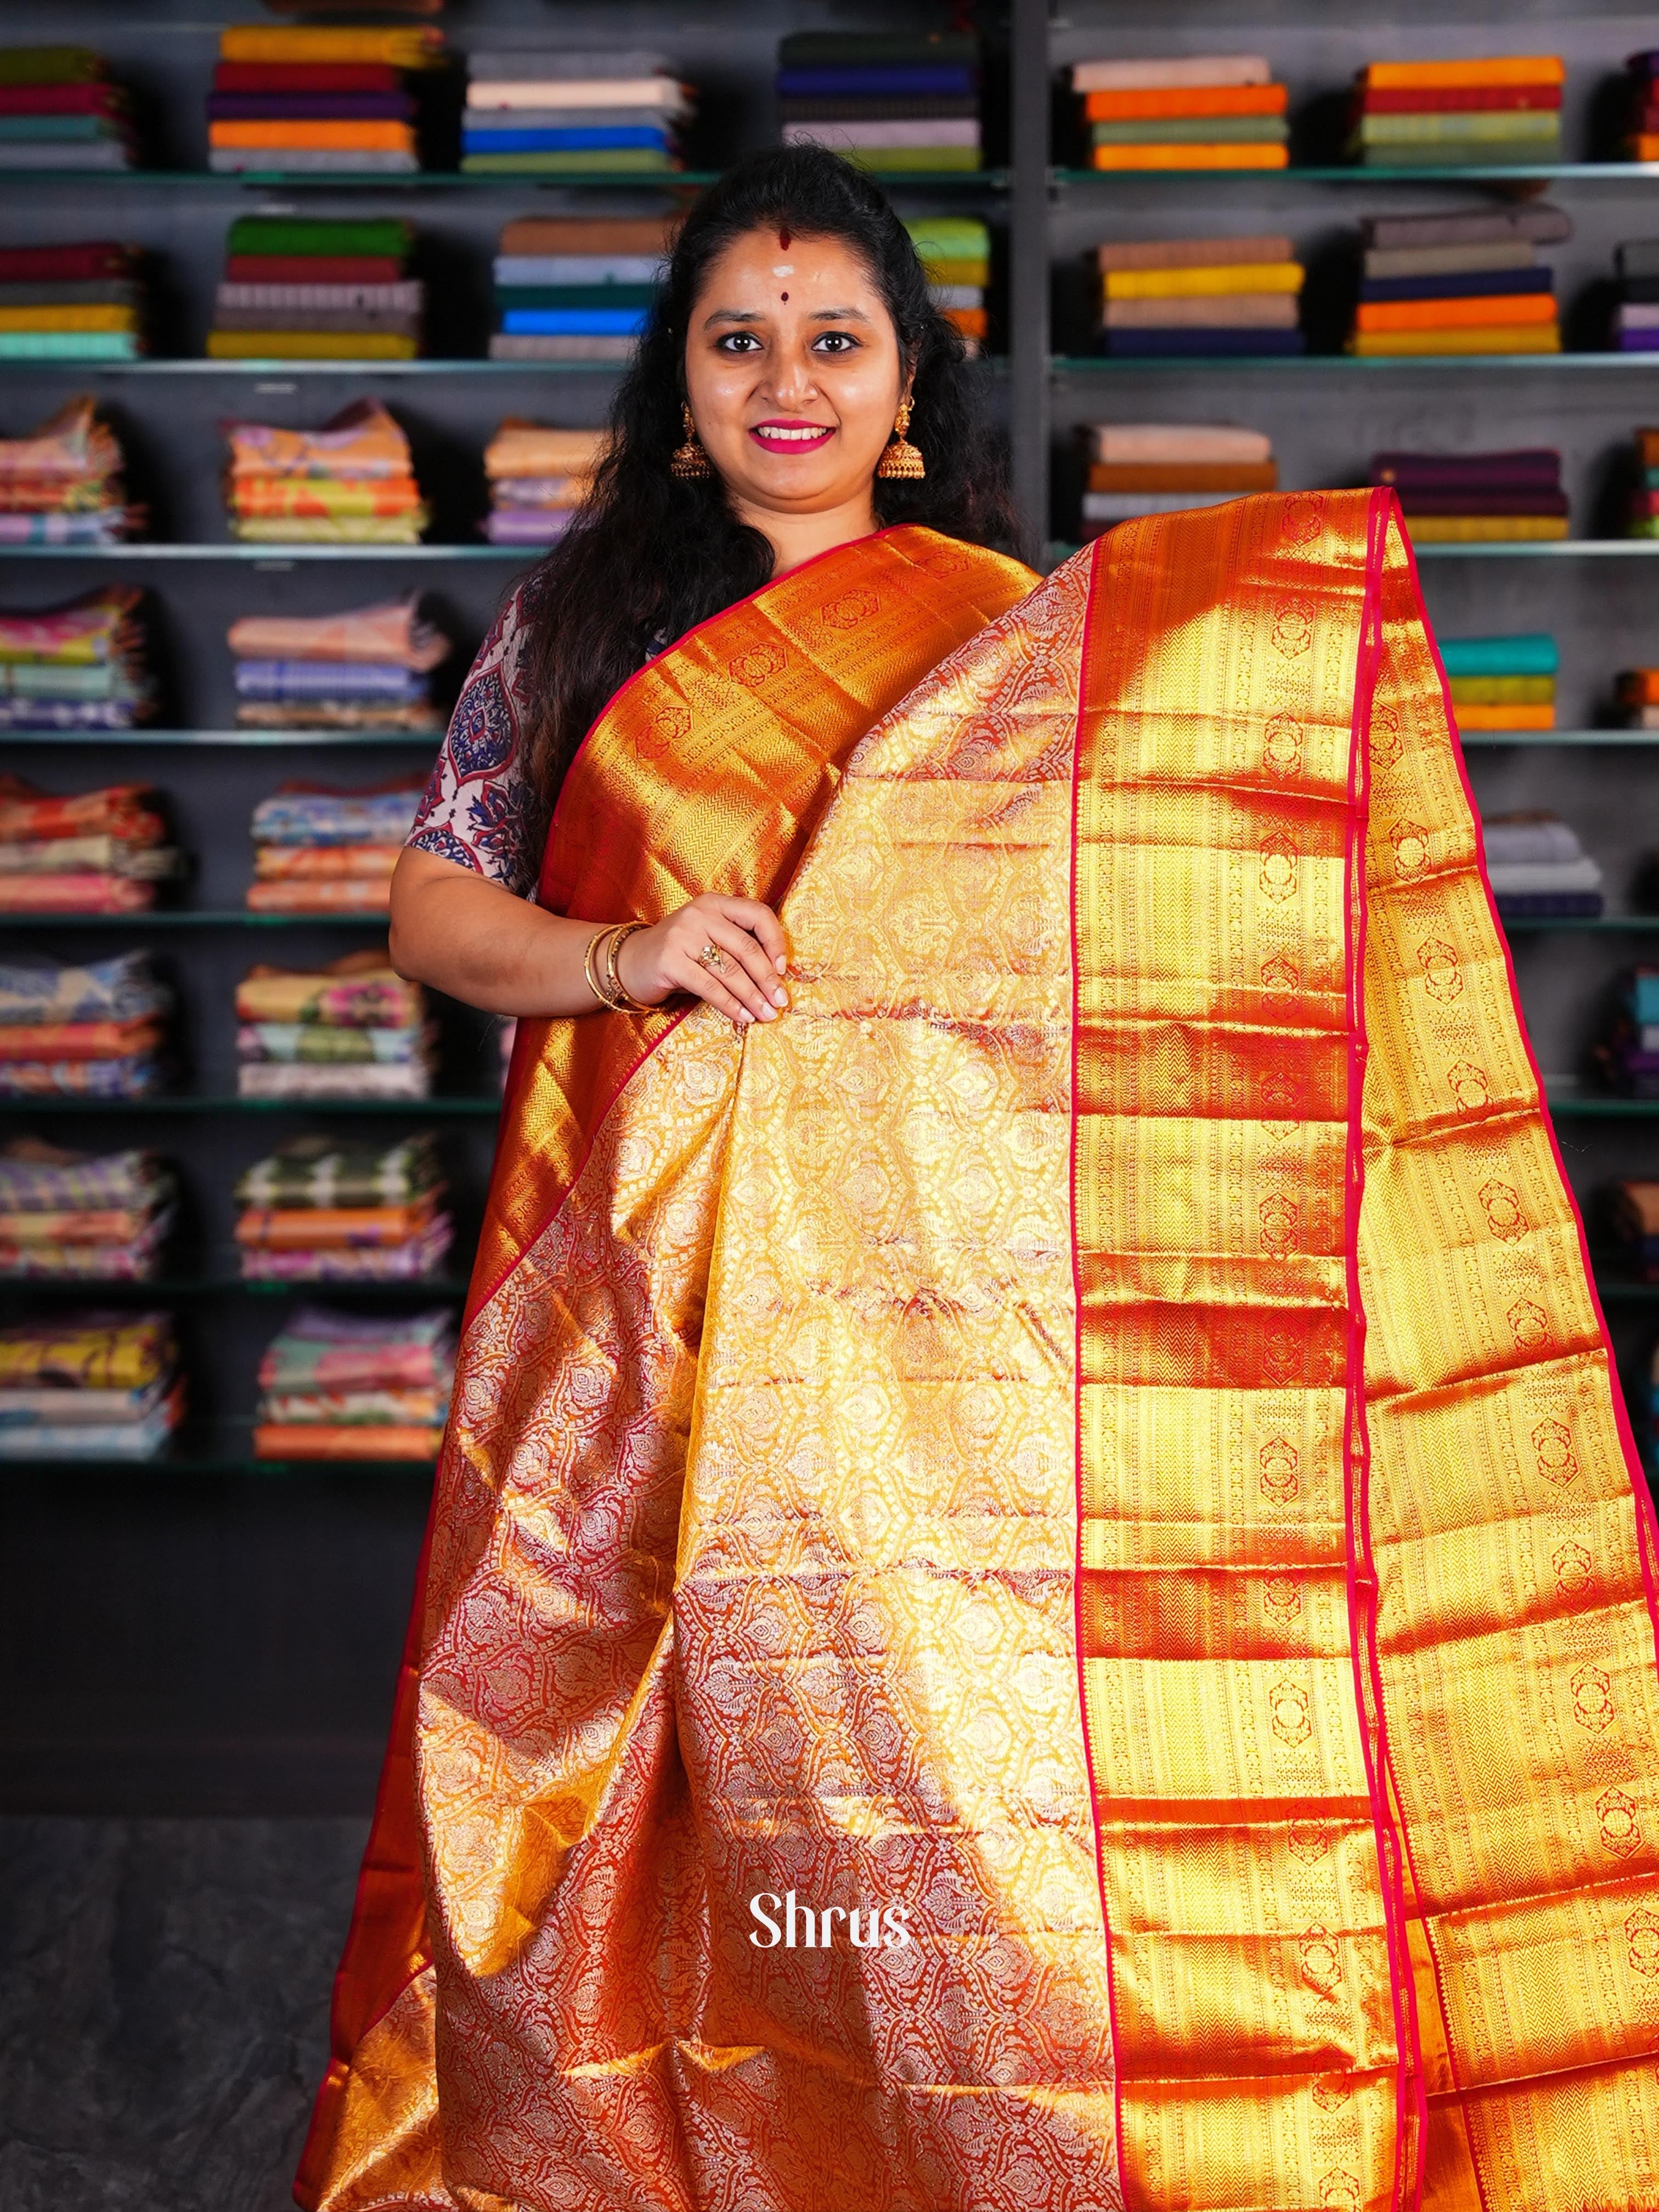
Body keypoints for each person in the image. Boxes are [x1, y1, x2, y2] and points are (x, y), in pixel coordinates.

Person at [297, 149, 1659, 2212]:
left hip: (907, 1333)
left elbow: (1135, 965)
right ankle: (617, 2143)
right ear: (680, 387)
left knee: (885, 1752)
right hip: (631, 1318)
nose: (788, 382)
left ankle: (905, 2135)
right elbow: (427, 905)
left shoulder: (1009, 641)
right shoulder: (572, 629)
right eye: (739, 341)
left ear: (904, 381)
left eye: (834, 340)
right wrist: (624, 957)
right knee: (618, 1750)